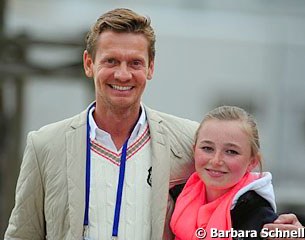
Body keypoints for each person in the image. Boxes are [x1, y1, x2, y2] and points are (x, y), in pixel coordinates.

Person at [4, 8, 304, 240]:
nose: (123, 74)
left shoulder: (193, 142)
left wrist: (275, 226)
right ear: (88, 63)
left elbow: (238, 196)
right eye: (110, 61)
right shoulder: (44, 144)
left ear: (150, 67)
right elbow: (22, 234)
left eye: (134, 63)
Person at [170, 106, 300, 240]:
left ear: (252, 161)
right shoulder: (173, 196)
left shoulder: (262, 220)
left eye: (231, 152)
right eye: (207, 148)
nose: (216, 161)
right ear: (194, 150)